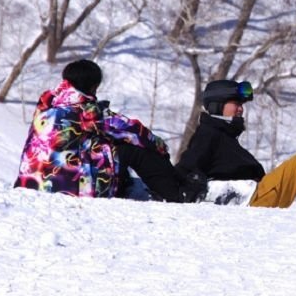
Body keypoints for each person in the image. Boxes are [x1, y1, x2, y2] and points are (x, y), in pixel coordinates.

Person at [14, 59, 189, 202]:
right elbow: (131, 130)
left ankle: (128, 185)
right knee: (132, 149)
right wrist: (158, 144)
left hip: (30, 182)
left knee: (104, 145)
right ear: (93, 87)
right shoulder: (83, 109)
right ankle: (176, 194)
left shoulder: (47, 104)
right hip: (65, 185)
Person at [176, 79, 296, 209]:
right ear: (218, 105)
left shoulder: (225, 136)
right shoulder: (208, 133)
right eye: (236, 103)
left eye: (241, 104)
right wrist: (192, 184)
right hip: (251, 200)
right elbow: (185, 168)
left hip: (255, 195)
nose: (241, 109)